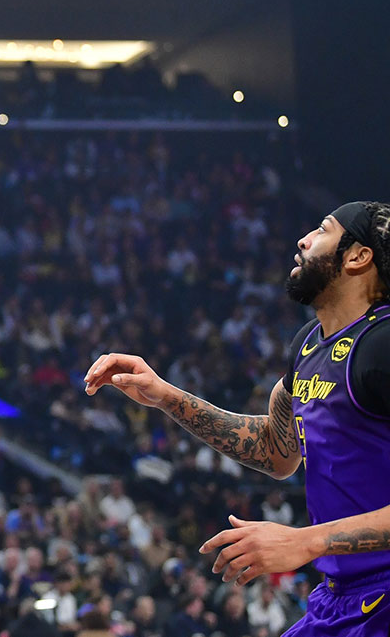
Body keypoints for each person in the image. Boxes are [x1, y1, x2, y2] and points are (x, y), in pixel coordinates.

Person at [84, 201, 390, 635]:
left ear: (358, 257)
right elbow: (274, 450)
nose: (303, 240)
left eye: (322, 230)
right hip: (342, 597)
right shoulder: (308, 346)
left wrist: (302, 541)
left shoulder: (382, 344)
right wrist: (167, 396)